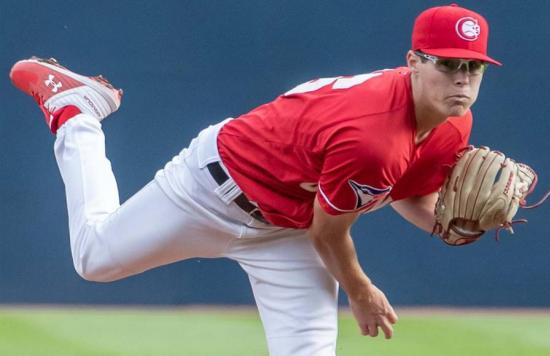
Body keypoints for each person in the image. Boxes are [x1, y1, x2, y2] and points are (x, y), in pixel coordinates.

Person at [10, 4, 500, 355]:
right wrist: (361, 291)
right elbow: (329, 233)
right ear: (414, 62)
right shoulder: (371, 136)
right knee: (94, 258)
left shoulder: (453, 121)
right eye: (448, 64)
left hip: (288, 230)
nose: (462, 80)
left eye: (473, 67)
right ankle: (76, 112)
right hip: (210, 190)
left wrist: (447, 224)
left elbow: (407, 191)